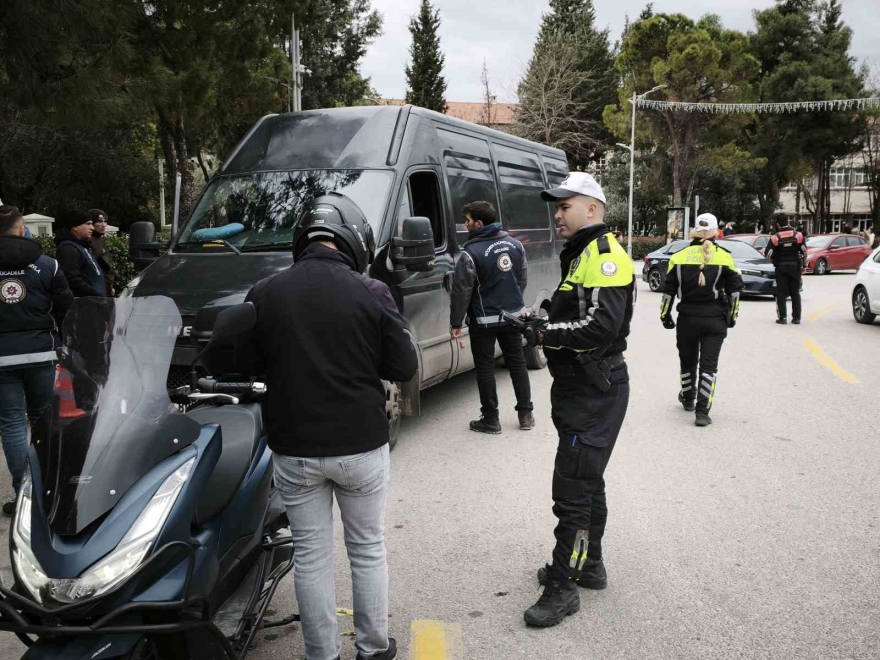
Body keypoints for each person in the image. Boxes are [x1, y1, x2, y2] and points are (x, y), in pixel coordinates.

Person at [235, 193, 417, 660]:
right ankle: (374, 648)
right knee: (367, 548)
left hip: (294, 447)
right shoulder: (371, 291)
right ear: (353, 239)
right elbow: (402, 364)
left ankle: (323, 653)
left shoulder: (265, 291)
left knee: (312, 556)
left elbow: (247, 363)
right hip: (360, 444)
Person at [524, 172, 635, 628]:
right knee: (587, 482)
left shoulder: (606, 256)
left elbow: (601, 327)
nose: (557, 214)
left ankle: (563, 587)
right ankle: (589, 566)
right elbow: (578, 312)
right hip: (582, 389)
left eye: (564, 206)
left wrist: (544, 331)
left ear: (590, 208)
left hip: (595, 389)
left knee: (572, 490)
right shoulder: (583, 255)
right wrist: (545, 315)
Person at [0, 205, 73, 515]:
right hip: (41, 353)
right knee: (42, 420)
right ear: (21, 229)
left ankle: (23, 495)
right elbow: (66, 308)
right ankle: (48, 491)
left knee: (12, 425)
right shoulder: (48, 265)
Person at [449, 200, 534, 433]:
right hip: (512, 318)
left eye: (467, 221)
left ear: (479, 223)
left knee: (485, 369)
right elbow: (522, 279)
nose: (465, 225)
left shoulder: (470, 253)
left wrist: (456, 322)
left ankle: (491, 420)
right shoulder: (516, 245)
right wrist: (512, 302)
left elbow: (462, 291)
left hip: (483, 321)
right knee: (517, 364)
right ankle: (526, 415)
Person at [660, 213, 743, 427]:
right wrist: (732, 317)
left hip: (687, 318)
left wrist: (665, 315)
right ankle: (702, 412)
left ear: (694, 232)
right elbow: (734, 292)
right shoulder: (724, 256)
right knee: (709, 366)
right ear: (716, 232)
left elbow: (668, 291)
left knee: (687, 362)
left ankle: (688, 398)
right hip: (715, 319)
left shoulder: (678, 257)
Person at [765, 215, 807, 325]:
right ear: (788, 222)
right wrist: (804, 265)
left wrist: (777, 259)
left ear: (778, 224)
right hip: (795, 267)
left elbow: (768, 254)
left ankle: (782, 318)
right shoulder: (798, 235)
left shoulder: (775, 237)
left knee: (781, 293)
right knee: (795, 293)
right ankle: (796, 318)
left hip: (781, 268)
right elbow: (804, 251)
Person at [55, 210, 108, 298]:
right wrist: (95, 293)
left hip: (96, 303)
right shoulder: (68, 248)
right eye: (88, 224)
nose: (92, 228)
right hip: (85, 305)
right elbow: (72, 280)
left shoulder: (83, 246)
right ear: (75, 226)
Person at [88, 209, 116, 296]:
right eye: (99, 221)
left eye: (105, 221)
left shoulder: (100, 238)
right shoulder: (89, 241)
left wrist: (109, 287)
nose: (103, 225)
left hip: (106, 290)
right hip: (97, 292)